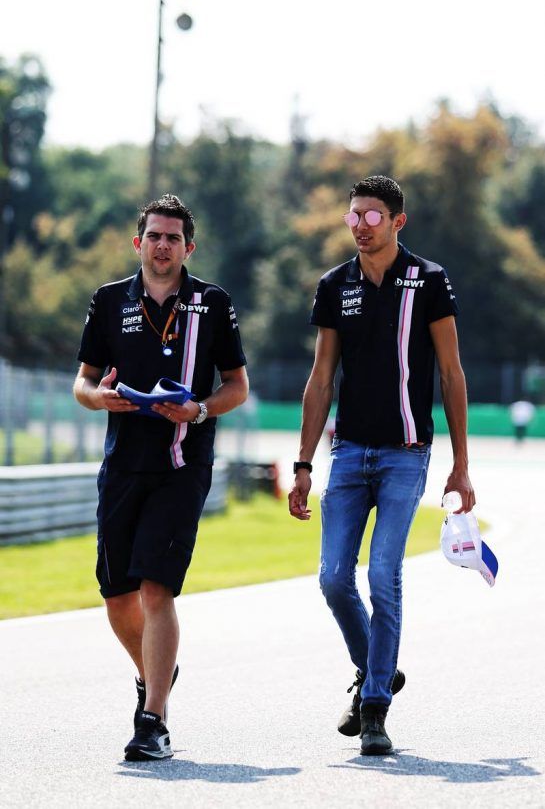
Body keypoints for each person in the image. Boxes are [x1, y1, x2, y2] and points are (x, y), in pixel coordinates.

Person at [288, 175, 475, 755]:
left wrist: (461, 466)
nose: (361, 225)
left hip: (407, 455)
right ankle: (376, 665)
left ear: (398, 222)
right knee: (333, 578)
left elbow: (450, 373)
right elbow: (321, 379)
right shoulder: (333, 285)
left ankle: (374, 706)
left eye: (373, 216)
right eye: (354, 215)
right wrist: (302, 464)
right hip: (347, 456)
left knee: (382, 575)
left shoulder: (429, 281)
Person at [74, 194, 248, 761]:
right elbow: (82, 383)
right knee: (118, 598)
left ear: (188, 247)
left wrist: (197, 410)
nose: (164, 245)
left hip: (182, 465)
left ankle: (153, 722)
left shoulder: (213, 304)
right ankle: (155, 676)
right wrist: (99, 399)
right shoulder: (107, 302)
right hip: (122, 464)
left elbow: (236, 387)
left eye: (174, 237)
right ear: (138, 242)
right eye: (155, 235)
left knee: (155, 589)